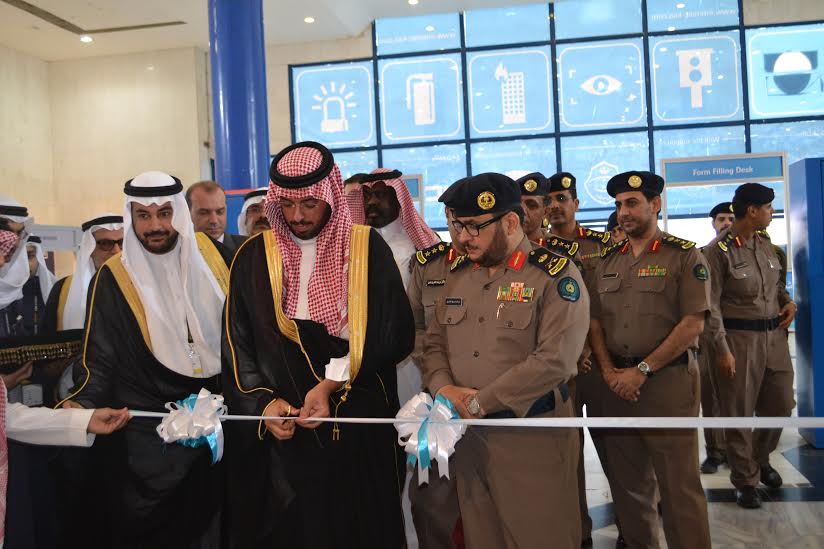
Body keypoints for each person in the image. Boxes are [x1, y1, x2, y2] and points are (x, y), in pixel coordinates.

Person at [222, 142, 414, 549]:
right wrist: (262, 404)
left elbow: (391, 334)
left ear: (329, 195)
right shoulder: (253, 256)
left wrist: (329, 386)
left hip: (354, 423)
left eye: (309, 203)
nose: (297, 216)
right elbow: (238, 345)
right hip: (283, 432)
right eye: (287, 204)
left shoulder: (365, 248)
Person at [61, 171, 233, 547]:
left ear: (179, 214)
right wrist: (81, 403)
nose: (155, 225)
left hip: (222, 420)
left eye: (164, 213)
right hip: (151, 434)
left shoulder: (216, 258)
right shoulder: (113, 277)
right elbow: (99, 356)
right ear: (131, 217)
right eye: (143, 215)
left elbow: (244, 336)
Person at [422, 172, 589, 549]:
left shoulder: (554, 276)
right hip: (468, 440)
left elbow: (556, 361)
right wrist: (444, 389)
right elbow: (433, 345)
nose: (463, 237)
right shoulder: (458, 276)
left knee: (540, 539)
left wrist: (480, 403)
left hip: (530, 437)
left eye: (474, 226)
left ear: (511, 222)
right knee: (481, 537)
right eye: (458, 225)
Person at [589, 171, 711, 549]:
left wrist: (642, 371)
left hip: (666, 385)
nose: (623, 212)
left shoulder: (684, 255)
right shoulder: (607, 260)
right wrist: (609, 371)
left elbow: (693, 323)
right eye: (618, 205)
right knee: (628, 487)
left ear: (655, 204)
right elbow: (594, 322)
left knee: (679, 487)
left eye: (632, 203)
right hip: (616, 387)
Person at [704, 183, 796, 509]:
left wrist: (788, 302)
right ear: (753, 211)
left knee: (782, 404)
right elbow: (710, 306)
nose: (772, 212)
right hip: (739, 341)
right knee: (738, 412)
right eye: (768, 207)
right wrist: (722, 349)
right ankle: (745, 479)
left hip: (775, 339)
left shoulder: (766, 245)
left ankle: (759, 457)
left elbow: (775, 287)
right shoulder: (717, 252)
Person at [407, 189, 465, 549]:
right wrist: (441, 379)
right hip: (439, 403)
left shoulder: (527, 268)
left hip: (496, 404)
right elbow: (413, 329)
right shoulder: (428, 265)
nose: (464, 231)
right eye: (456, 219)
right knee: (431, 503)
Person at [698, 202, 734, 474]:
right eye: (722, 219)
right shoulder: (703, 254)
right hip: (710, 336)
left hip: (742, 333)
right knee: (711, 397)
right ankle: (715, 451)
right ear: (713, 223)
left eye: (731, 218)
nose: (727, 223)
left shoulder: (759, 250)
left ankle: (739, 450)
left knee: (740, 397)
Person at [186, 180, 247, 254]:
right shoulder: (178, 251)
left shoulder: (248, 248)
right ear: (187, 212)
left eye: (220, 212)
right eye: (204, 213)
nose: (214, 220)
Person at [514, 172, 550, 245]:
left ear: (545, 212)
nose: (522, 210)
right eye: (517, 205)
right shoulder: (500, 248)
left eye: (531, 205)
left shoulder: (560, 250)